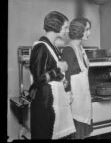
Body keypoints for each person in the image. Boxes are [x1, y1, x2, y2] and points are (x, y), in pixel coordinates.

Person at [29, 11, 76, 139]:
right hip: (45, 104)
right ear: (56, 26)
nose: (67, 31)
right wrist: (58, 69)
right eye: (65, 27)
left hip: (54, 101)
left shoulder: (53, 47)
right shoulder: (40, 47)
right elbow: (38, 78)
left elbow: (50, 72)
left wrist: (62, 78)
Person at [62, 17, 93, 139]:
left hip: (83, 100)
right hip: (74, 103)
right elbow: (66, 78)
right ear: (79, 30)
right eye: (87, 29)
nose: (89, 33)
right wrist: (68, 100)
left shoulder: (81, 49)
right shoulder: (69, 51)